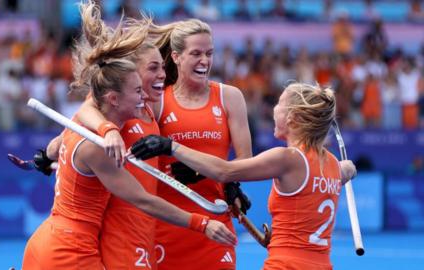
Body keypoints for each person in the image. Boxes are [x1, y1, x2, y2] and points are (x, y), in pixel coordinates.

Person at [21, 3, 236, 269]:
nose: (163, 75)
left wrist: (47, 155)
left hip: (132, 236)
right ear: (129, 77)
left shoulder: (139, 104)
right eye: (153, 69)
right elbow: (86, 113)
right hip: (100, 243)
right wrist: (107, 130)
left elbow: (62, 140)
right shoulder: (112, 112)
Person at [66, 18, 252, 269]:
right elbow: (90, 106)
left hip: (214, 217)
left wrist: (227, 180)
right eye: (196, 53)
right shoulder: (156, 99)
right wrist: (106, 129)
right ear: (176, 56)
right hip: (169, 222)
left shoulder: (229, 97)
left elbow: (245, 162)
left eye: (209, 53)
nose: (205, 61)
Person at [131, 82, 357, 270]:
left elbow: (224, 171)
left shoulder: (287, 158)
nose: (273, 109)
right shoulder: (334, 166)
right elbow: (349, 169)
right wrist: (349, 167)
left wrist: (171, 147)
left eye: (278, 104)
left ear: (292, 118)